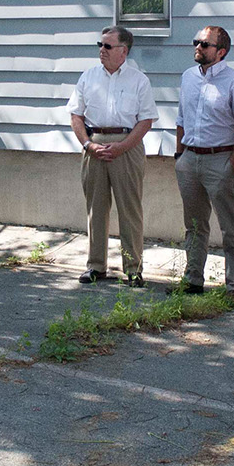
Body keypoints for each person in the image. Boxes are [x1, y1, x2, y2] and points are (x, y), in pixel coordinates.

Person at [68, 26, 158, 287]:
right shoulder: (88, 77)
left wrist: (123, 146)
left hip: (126, 146)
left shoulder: (138, 80)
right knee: (95, 208)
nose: (101, 50)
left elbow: (146, 121)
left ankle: (133, 269)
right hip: (94, 144)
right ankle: (96, 266)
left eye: (107, 46)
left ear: (123, 51)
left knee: (129, 210)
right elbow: (76, 115)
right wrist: (87, 144)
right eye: (100, 45)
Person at [175, 25, 234, 301]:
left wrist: (231, 165)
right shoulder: (188, 78)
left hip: (220, 159)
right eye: (196, 41)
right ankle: (193, 279)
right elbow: (181, 119)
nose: (198, 46)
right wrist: (179, 156)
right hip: (190, 159)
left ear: (220, 52)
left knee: (230, 226)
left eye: (204, 44)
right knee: (194, 225)